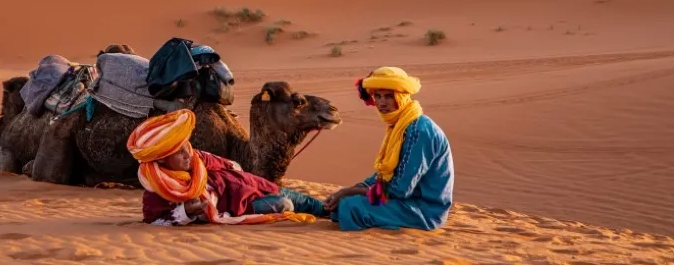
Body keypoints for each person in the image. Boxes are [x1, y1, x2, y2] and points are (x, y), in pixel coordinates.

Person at [126, 109, 328, 226]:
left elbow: (233, 166)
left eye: (186, 147)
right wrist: (186, 211)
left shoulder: (199, 158)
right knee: (285, 205)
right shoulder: (160, 189)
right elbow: (154, 221)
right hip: (244, 206)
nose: (188, 154)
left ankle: (337, 210)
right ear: (161, 159)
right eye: (178, 152)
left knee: (316, 205)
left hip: (255, 185)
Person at [324, 66, 454, 231]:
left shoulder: (419, 131)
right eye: (377, 96)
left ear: (401, 97)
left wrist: (351, 191)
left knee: (351, 207)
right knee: (340, 204)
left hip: (424, 210)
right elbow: (385, 175)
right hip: (407, 203)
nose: (382, 102)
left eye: (388, 96)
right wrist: (349, 190)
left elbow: (401, 189)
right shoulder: (400, 125)